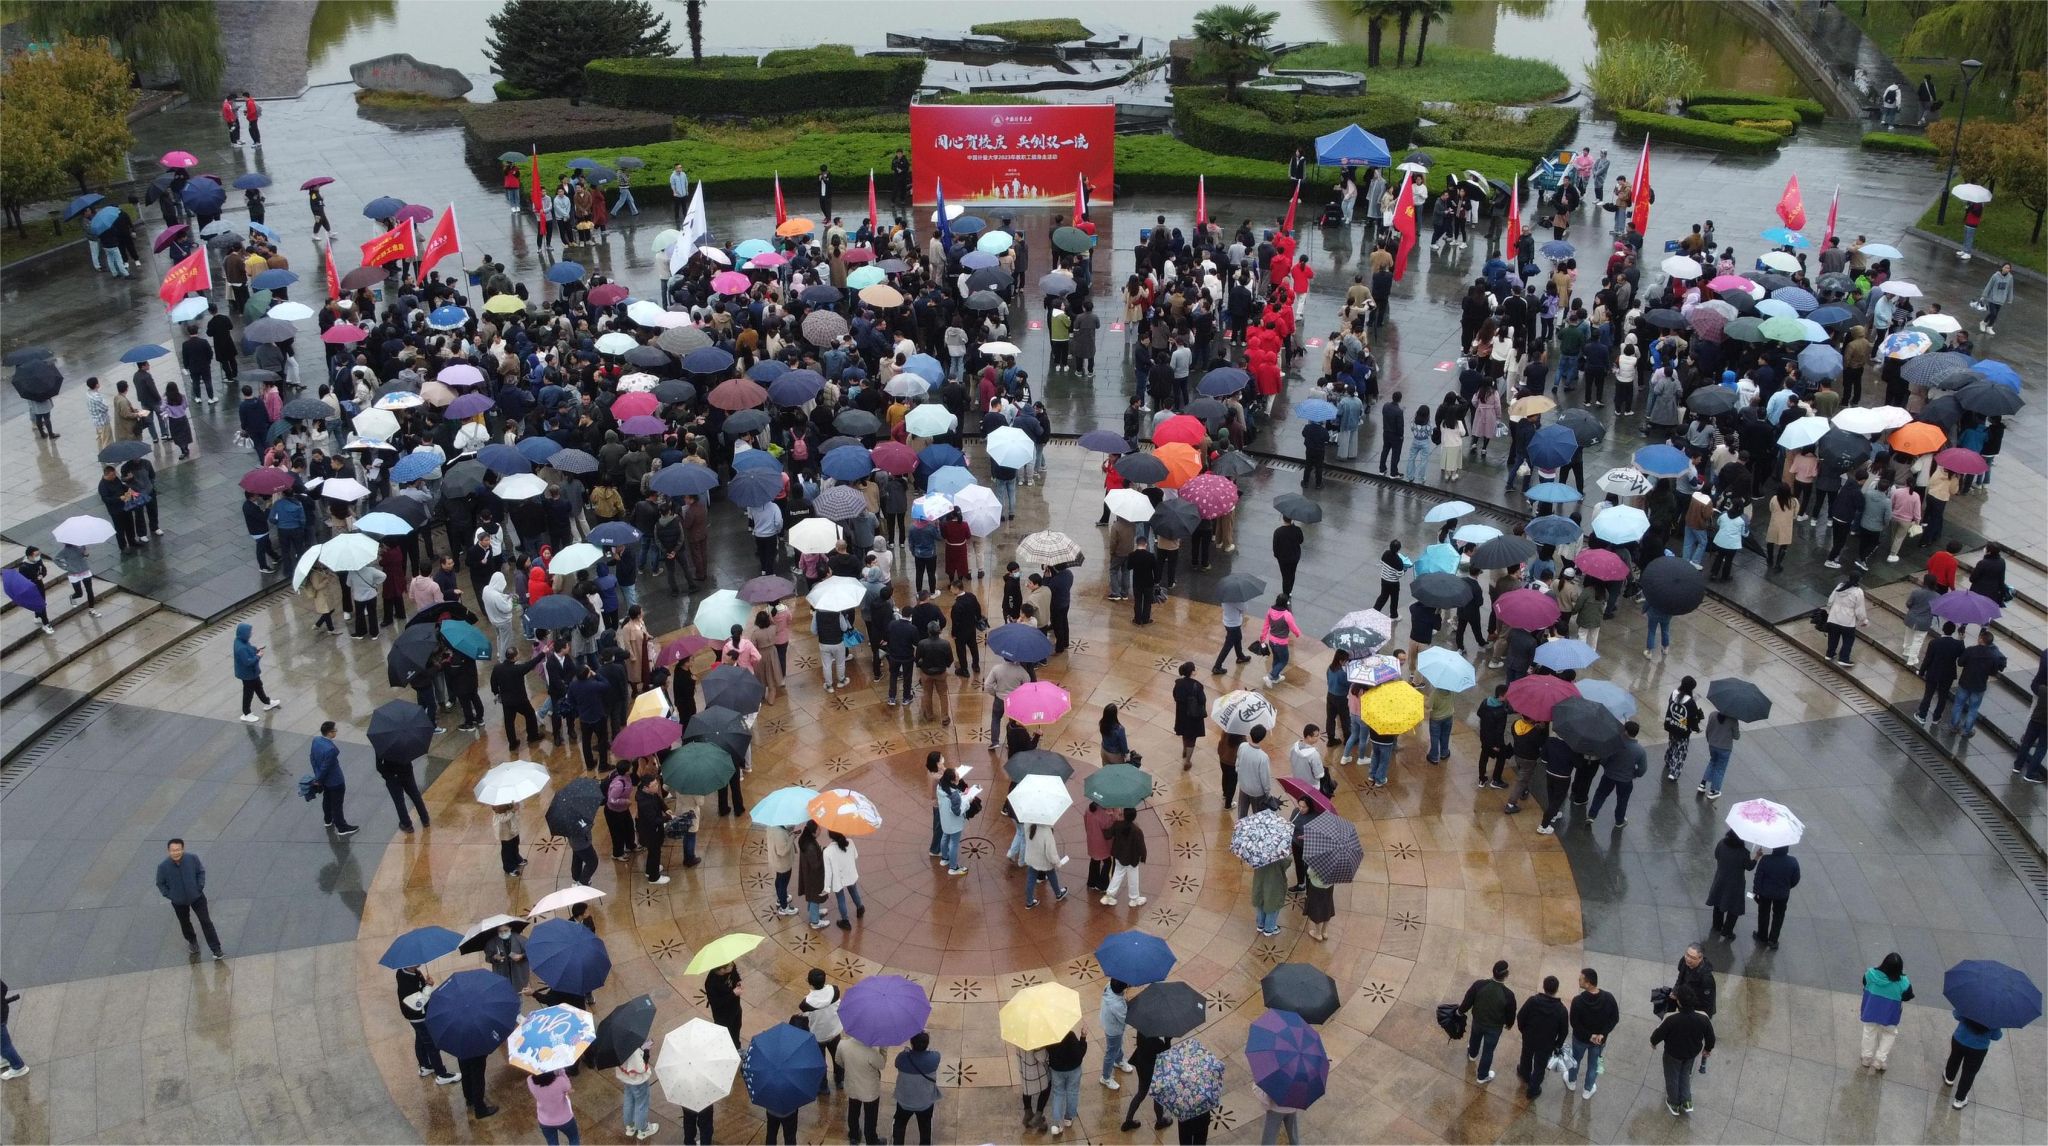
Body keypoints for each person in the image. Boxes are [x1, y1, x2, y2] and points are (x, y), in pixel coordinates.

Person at [1649, 986, 1715, 1116]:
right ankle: (1687, 1101)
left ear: (1678, 1001)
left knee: (1672, 1076)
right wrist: (1707, 1049)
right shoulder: (1703, 1017)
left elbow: (1658, 1035)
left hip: (1673, 1054)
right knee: (1685, 1074)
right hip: (1691, 1053)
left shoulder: (1671, 1018)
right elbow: (1710, 1037)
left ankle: (1674, 1103)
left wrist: (1653, 1043)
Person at [155, 838, 224, 959]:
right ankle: (192, 941)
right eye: (173, 850)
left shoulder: (192, 858)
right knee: (185, 922)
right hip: (179, 901)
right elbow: (160, 883)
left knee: (206, 921)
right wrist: (171, 895)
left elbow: (200, 872)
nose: (176, 852)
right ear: (168, 851)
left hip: (197, 897)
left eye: (178, 850)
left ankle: (216, 949)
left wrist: (199, 887)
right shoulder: (163, 867)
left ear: (183, 849)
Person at [396, 965, 461, 1086]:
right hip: (418, 1017)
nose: (419, 963)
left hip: (416, 1016)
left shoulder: (412, 971)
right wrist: (428, 987)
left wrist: (425, 984)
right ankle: (441, 1074)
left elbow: (418, 990)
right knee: (432, 1044)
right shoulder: (406, 979)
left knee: (421, 1040)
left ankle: (425, 1066)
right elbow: (418, 1003)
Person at [1458, 960, 1515, 1085]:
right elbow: (1511, 1013)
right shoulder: (1508, 995)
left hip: (1478, 1021)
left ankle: (1472, 1055)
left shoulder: (1479, 985)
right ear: (1506, 975)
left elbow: (1467, 1001)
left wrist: (1460, 1011)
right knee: (1488, 1051)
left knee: (1474, 1038)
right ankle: (1482, 1076)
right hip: (1494, 1028)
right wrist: (1509, 1024)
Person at [1564, 967, 1618, 1099]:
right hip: (1599, 1042)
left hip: (1580, 1040)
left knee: (1575, 1060)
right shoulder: (1609, 998)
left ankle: (1571, 1082)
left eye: (1581, 979)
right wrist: (1602, 1034)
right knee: (1594, 1065)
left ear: (1588, 983)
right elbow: (1614, 1018)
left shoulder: (1578, 1001)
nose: (1578, 980)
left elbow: (1574, 1023)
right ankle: (1588, 1089)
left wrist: (1589, 1036)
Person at [1513, 975, 1569, 1100]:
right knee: (1540, 1066)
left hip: (1529, 1037)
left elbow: (1521, 1016)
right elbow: (1564, 1031)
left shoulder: (1533, 1001)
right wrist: (1557, 1044)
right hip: (1547, 1043)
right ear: (1557, 989)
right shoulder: (1561, 1010)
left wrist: (1524, 1031)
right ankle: (1533, 1090)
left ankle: (1525, 1073)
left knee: (1526, 1056)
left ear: (1543, 987)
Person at [1585, 720, 1645, 827]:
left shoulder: (1614, 744)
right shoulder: (1640, 750)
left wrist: (1607, 767)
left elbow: (1604, 759)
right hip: (1626, 780)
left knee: (1600, 795)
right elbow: (1642, 769)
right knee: (1622, 800)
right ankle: (1619, 821)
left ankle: (1591, 815)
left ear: (1625, 731)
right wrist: (1634, 774)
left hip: (1609, 775)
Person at [1950, 628, 2007, 737]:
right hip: (1979, 685)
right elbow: (1993, 672)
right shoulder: (1993, 656)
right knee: (1973, 709)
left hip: (1965, 682)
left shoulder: (1970, 650)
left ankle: (1954, 726)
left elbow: (1960, 662)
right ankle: (1966, 730)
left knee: (1958, 704)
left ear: (1981, 639)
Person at [1704, 828, 1756, 938]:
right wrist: (1757, 857)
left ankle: (1717, 926)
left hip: (1720, 879)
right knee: (1734, 907)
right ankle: (1727, 931)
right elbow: (1749, 867)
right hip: (1735, 884)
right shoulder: (1743, 852)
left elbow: (1717, 855)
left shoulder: (1721, 844)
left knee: (1718, 902)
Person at [839, 1035, 886, 1145]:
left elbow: (839, 1061)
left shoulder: (843, 1045)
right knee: (870, 1116)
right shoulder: (872, 1051)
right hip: (870, 1091)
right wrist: (883, 1048)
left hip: (852, 1086)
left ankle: (854, 1136)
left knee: (853, 1111)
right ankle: (871, 1140)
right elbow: (882, 1064)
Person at [1045, 1027, 1087, 1136]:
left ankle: (1056, 1124)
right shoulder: (1070, 1035)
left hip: (1057, 1070)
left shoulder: (1049, 1038)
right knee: (1072, 1092)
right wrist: (1083, 1038)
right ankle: (1068, 1118)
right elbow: (1080, 1053)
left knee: (1058, 1094)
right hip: (1074, 1070)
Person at [1102, 808, 1148, 907]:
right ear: (1134, 817)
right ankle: (1134, 899)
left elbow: (1107, 835)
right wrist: (1143, 857)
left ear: (1124, 815)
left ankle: (1109, 896)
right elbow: (1141, 846)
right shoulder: (1137, 830)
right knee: (1133, 878)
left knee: (1117, 875)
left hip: (1119, 856)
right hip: (1132, 859)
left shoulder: (1117, 825)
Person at [1660, 676, 1702, 782]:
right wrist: (1696, 727)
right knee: (1680, 751)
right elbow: (1691, 719)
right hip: (1683, 731)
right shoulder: (1690, 702)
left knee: (1672, 744)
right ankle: (1674, 772)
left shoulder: (1674, 694)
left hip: (1671, 725)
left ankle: (1668, 760)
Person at [377, 753, 430, 833]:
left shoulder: (382, 746)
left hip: (393, 776)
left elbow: (379, 766)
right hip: (406, 771)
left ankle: (407, 824)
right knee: (415, 795)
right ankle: (425, 819)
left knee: (399, 801)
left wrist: (387, 775)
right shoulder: (404, 744)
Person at [1022, 820, 1069, 907]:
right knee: (1052, 875)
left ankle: (1029, 901)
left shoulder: (1028, 824)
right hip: (1044, 861)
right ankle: (1058, 894)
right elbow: (1051, 853)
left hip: (1031, 858)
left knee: (1031, 879)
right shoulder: (1046, 832)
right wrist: (1058, 863)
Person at [1259, 594, 1302, 688]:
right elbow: (1293, 627)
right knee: (1284, 660)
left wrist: (1262, 637)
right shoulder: (1287, 614)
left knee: (1276, 658)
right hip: (1281, 643)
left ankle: (1276, 677)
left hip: (1271, 640)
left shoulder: (1270, 610)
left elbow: (1266, 625)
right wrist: (1298, 634)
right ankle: (1270, 676)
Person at [824, 830, 864, 927]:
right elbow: (855, 856)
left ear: (830, 836)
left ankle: (845, 921)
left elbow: (828, 873)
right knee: (854, 891)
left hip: (838, 878)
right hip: (850, 874)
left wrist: (826, 887)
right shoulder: (850, 842)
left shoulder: (827, 851)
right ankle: (860, 907)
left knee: (840, 898)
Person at [528, 1069, 578, 1145]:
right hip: (565, 1119)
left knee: (552, 1143)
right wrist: (562, 1071)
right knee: (574, 1138)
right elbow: (568, 1087)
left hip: (544, 1121)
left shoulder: (529, 1080)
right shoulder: (560, 1081)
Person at [1700, 708, 1739, 799]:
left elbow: (1708, 730)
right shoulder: (1733, 720)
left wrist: (1709, 740)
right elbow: (1736, 736)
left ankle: (1702, 784)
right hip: (1725, 748)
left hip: (1712, 745)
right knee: (1720, 769)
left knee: (1712, 762)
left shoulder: (1712, 715)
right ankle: (1713, 791)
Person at [705, 962, 743, 1048]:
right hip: (723, 1016)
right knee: (724, 1035)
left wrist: (738, 982)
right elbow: (716, 1003)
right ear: (722, 970)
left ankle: (737, 1047)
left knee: (736, 1028)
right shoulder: (711, 983)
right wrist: (733, 993)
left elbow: (735, 974)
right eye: (730, 966)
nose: (733, 965)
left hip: (735, 1007)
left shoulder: (730, 965)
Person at [483, 921, 528, 989]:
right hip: (502, 971)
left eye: (505, 930)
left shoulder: (520, 939)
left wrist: (521, 956)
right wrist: (495, 957)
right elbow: (488, 958)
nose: (503, 933)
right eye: (500, 931)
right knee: (504, 989)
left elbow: (529, 951)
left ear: (510, 928)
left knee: (519, 990)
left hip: (518, 972)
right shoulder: (492, 942)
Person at [1976, 262, 2012, 334]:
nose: (2006, 269)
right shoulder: (1995, 276)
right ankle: (1986, 324)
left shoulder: (2010, 277)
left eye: (2008, 268)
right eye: (2005, 267)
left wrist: (2009, 299)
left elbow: (2010, 288)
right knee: (1993, 313)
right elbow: (1989, 285)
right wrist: (1984, 295)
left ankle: (1987, 326)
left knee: (1995, 314)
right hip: (1992, 298)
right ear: (2002, 267)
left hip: (2001, 299)